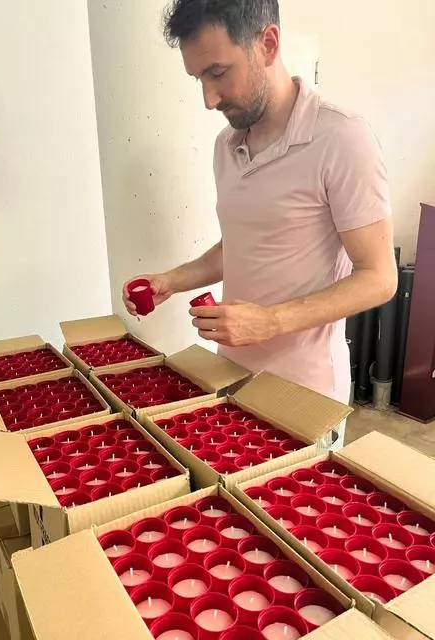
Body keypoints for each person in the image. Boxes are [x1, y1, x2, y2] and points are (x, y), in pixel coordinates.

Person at [123, 0, 398, 447]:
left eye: (217, 73)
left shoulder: (342, 139)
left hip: (305, 395)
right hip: (230, 378)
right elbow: (242, 245)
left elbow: (380, 278)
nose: (209, 99)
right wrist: (172, 280)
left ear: (268, 44)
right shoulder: (226, 146)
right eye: (198, 79)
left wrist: (270, 321)